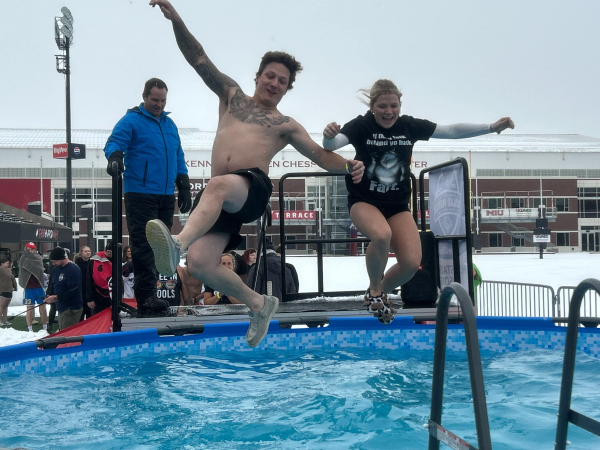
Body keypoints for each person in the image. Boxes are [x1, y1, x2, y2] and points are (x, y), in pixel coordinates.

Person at [145, 0, 365, 347]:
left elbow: (321, 156)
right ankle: (259, 304)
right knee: (201, 264)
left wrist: (350, 165)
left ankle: (176, 244)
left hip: (251, 189)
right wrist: (177, 20)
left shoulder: (285, 125)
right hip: (221, 198)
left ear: (287, 88)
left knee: (216, 186)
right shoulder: (231, 95)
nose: (275, 83)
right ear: (258, 76)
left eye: (283, 81)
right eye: (270, 76)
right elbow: (198, 58)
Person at [322, 79, 514, 323]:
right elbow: (333, 145)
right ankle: (374, 291)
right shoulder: (362, 125)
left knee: (412, 264)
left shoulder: (409, 126)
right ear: (372, 106)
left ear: (400, 105)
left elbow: (451, 131)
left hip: (397, 205)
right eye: (382, 106)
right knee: (381, 236)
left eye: (393, 106)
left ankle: (380, 291)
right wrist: (329, 137)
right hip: (364, 201)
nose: (388, 112)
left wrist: (490, 127)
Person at [104, 77, 192, 317]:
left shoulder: (170, 124)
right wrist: (115, 157)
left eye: (163, 100)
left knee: (161, 248)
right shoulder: (132, 120)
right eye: (155, 100)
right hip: (140, 192)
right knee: (143, 247)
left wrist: (183, 184)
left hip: (165, 194)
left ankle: (154, 293)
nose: (159, 104)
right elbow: (114, 142)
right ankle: (146, 298)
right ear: (144, 97)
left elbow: (178, 155)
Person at [44, 247, 83, 331]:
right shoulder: (55, 269)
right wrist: (49, 295)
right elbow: (52, 284)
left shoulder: (73, 269)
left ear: (63, 258)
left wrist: (55, 298)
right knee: (62, 331)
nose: (53, 263)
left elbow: (73, 291)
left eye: (55, 261)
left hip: (71, 308)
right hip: (61, 307)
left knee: (67, 335)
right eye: (52, 261)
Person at [18, 242, 48, 332]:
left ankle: (45, 327)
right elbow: (22, 273)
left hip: (39, 287)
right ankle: (29, 329)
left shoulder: (38, 258)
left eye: (32, 249)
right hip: (28, 288)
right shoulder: (23, 259)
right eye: (28, 249)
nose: (30, 251)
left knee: (43, 308)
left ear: (34, 249)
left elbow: (40, 270)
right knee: (29, 309)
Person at [87, 242, 113, 315]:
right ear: (108, 252)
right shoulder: (93, 261)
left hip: (113, 296)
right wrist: (90, 299)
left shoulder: (116, 259)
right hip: (97, 297)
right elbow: (89, 280)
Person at [75, 245, 93, 321]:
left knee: (90, 314)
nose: (87, 253)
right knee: (81, 314)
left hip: (89, 289)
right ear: (81, 253)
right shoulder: (77, 262)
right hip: (80, 290)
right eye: (85, 251)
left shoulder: (92, 262)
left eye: (89, 251)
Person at [0, 259, 17, 327]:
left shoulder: (8, 270)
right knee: (1, 305)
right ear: (2, 264)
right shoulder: (0, 269)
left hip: (9, 289)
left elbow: (12, 278)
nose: (8, 264)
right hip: (2, 289)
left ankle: (5, 319)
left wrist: (14, 287)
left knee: (5, 306)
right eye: (6, 263)